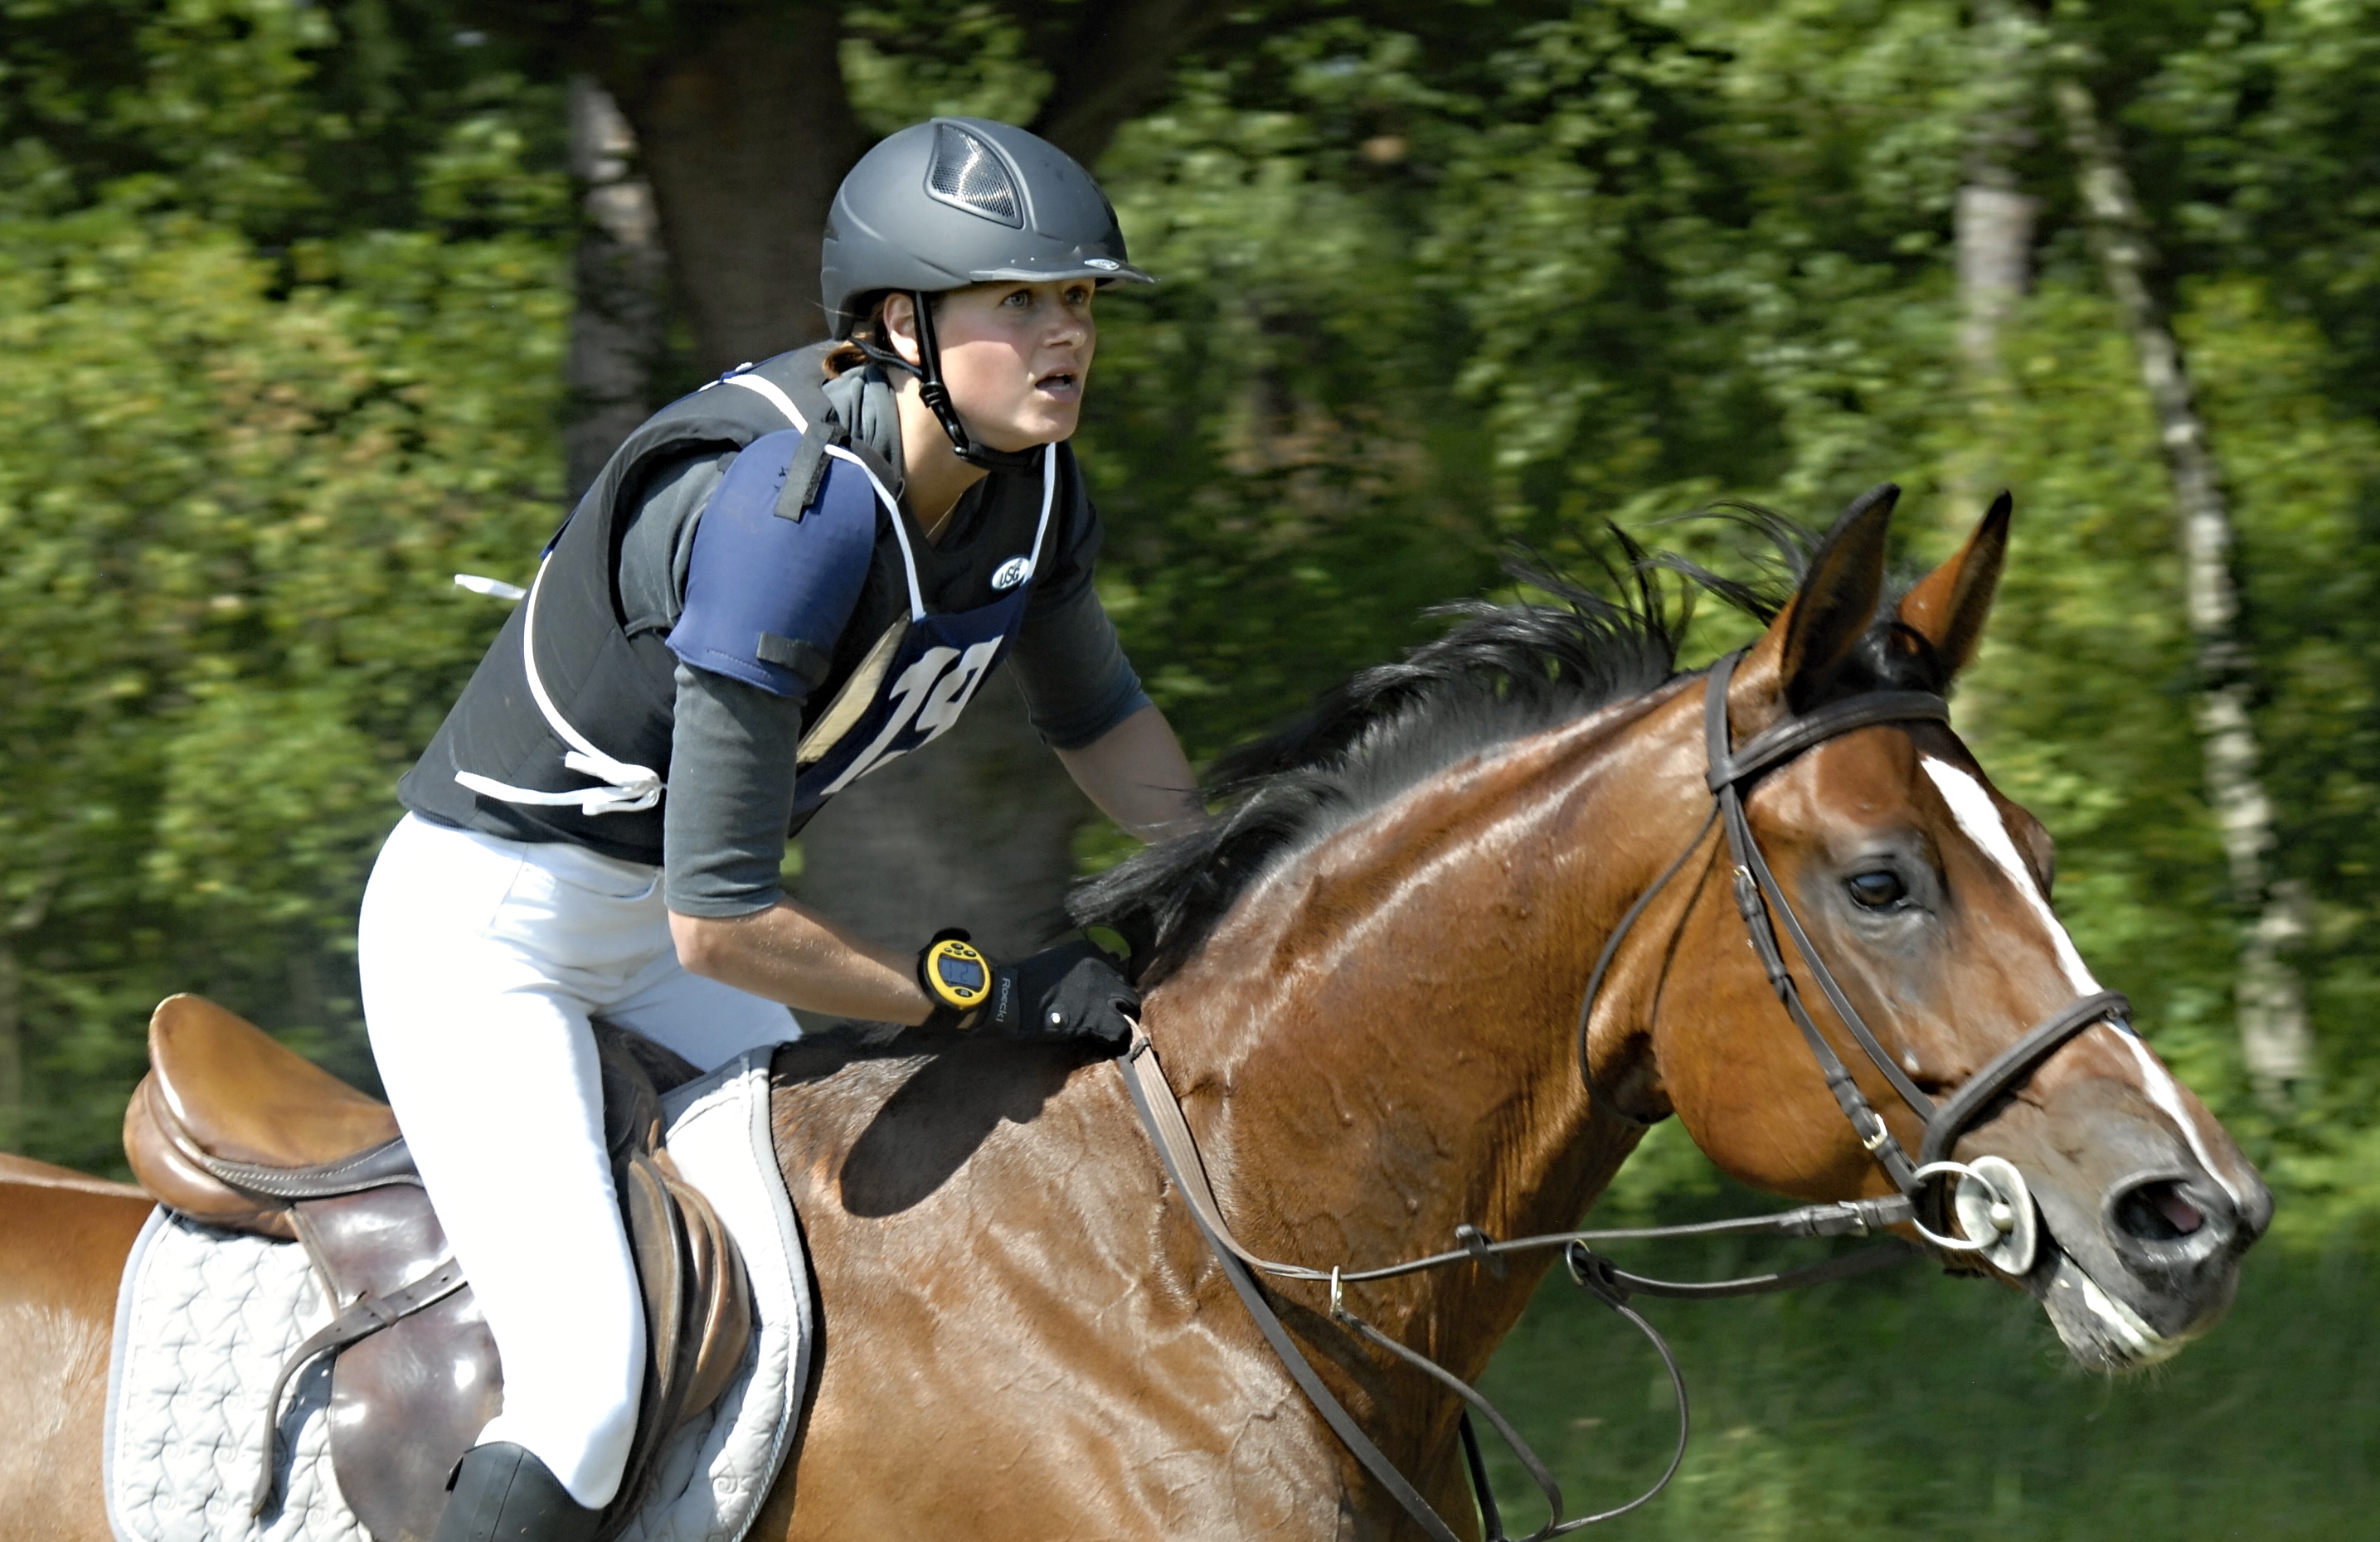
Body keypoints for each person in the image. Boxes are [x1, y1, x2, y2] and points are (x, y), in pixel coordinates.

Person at [359, 116, 1202, 1542]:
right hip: (490, 936)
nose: (1068, 334)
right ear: (898, 323)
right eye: (1021, 301)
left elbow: (1103, 724)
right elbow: (725, 920)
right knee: (587, 1383)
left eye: (1079, 301)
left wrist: (1224, 891)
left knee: (899, 1241)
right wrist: (973, 993)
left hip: (653, 930)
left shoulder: (1031, 485)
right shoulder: (790, 515)